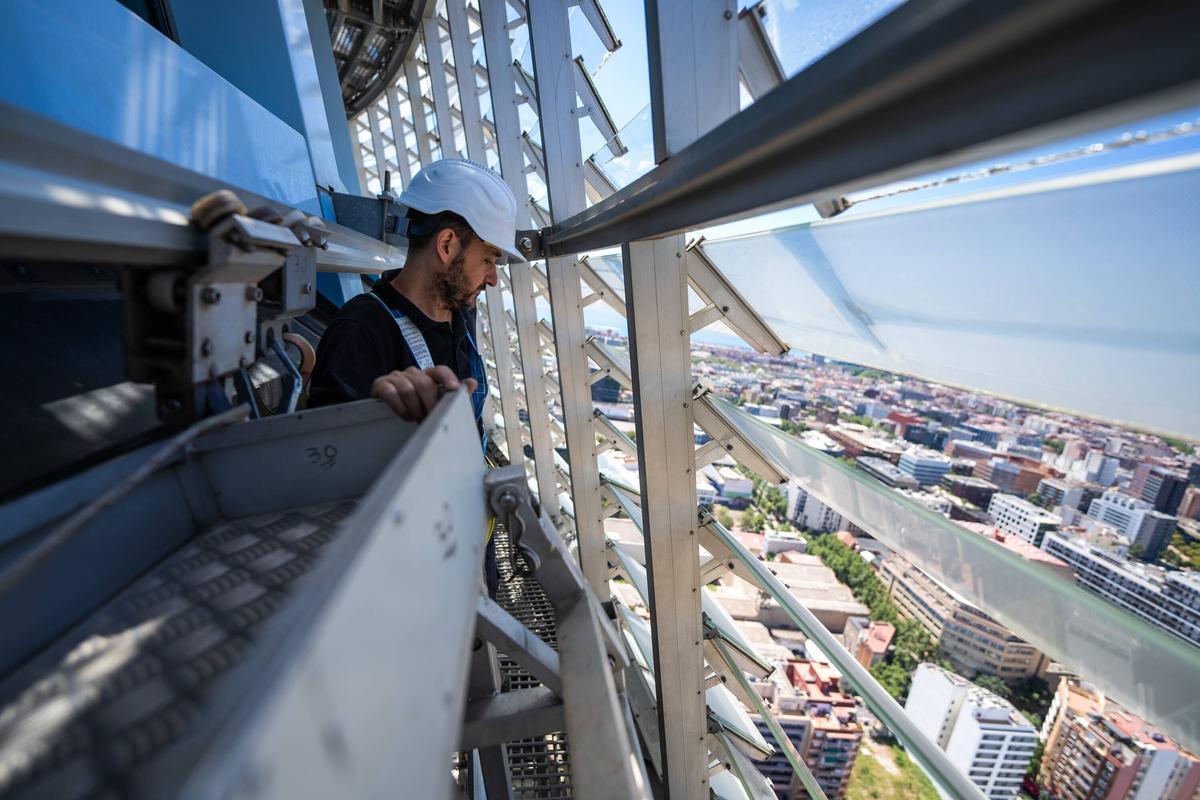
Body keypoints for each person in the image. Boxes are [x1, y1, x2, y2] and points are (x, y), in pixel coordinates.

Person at [309, 158, 524, 596]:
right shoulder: (361, 332)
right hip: (409, 566)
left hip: (461, 538)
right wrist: (383, 419)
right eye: (489, 258)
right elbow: (329, 473)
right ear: (446, 245)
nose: (493, 278)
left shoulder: (457, 316)